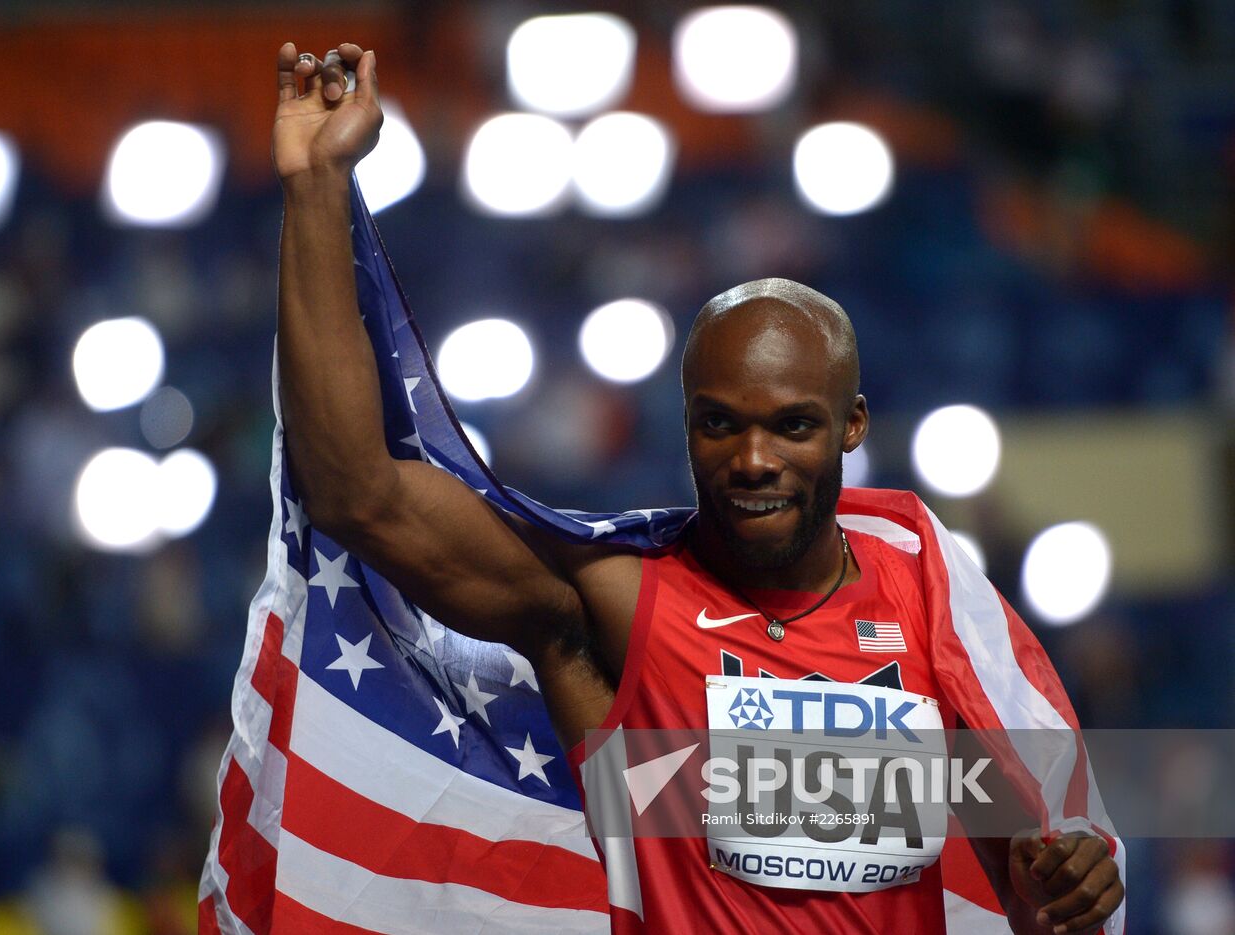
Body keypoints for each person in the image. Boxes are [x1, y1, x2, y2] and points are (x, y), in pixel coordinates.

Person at [270, 39, 1126, 934]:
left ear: (853, 427)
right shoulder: (608, 610)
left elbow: (1032, 890)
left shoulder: (927, 610)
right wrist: (316, 184)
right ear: (687, 428)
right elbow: (358, 495)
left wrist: (1068, 887)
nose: (753, 458)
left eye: (793, 424)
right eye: (721, 423)